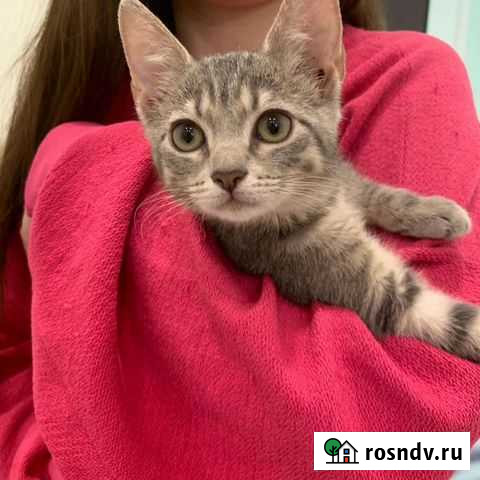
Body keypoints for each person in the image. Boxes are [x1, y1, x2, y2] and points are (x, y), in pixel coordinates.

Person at [1, 1, 479, 479]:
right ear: (146, 95)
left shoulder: (410, 78)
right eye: (189, 136)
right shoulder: (77, 96)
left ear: (321, 72)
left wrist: (78, 163)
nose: (227, 169)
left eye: (272, 126)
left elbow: (429, 448)